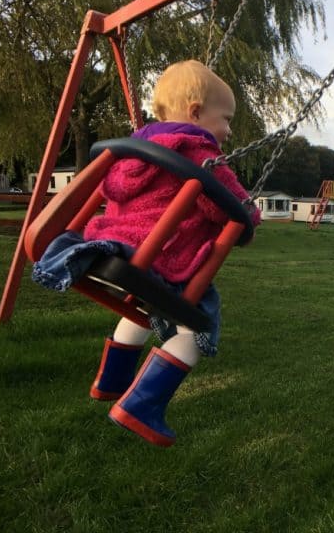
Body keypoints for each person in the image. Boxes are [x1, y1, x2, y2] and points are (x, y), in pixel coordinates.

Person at [32, 60, 261, 446]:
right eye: (226, 119)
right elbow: (230, 208)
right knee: (198, 327)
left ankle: (111, 381)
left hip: (110, 245)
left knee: (140, 307)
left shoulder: (134, 149)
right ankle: (141, 407)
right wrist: (251, 217)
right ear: (195, 113)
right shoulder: (200, 153)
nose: (230, 130)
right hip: (159, 258)